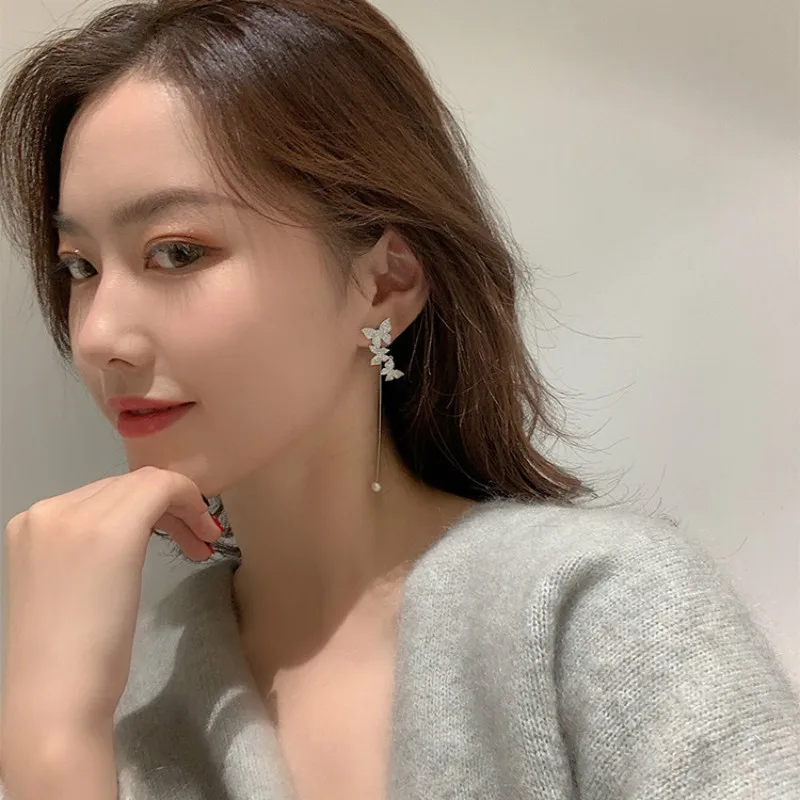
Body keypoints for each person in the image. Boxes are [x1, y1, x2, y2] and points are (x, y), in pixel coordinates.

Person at [0, 1, 797, 798]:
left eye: (176, 252)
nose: (98, 335)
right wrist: (51, 735)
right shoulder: (113, 690)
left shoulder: (599, 611)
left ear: (384, 283)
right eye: (79, 267)